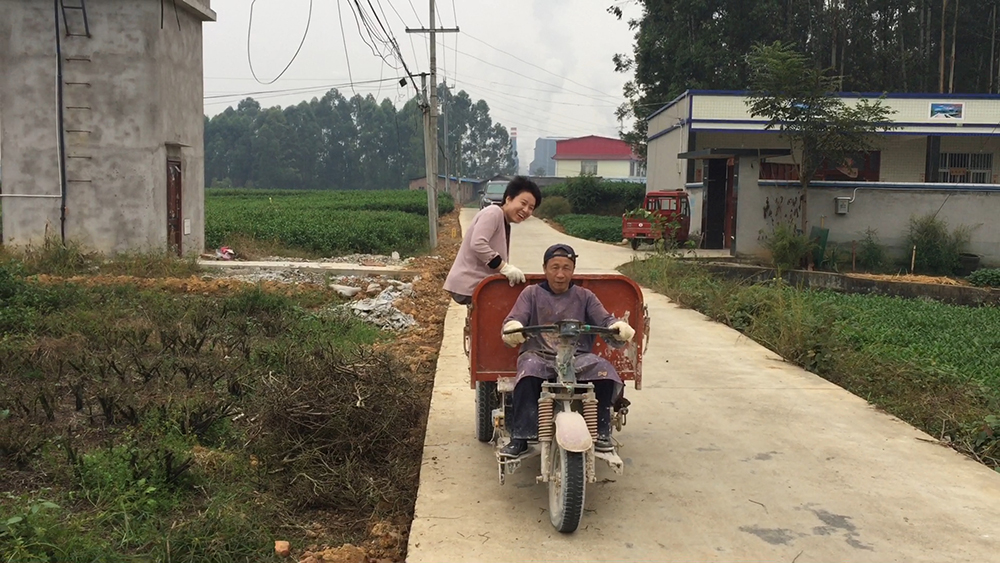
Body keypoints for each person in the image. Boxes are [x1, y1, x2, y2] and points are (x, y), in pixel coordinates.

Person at [499, 243, 635, 457]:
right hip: (538, 355)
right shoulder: (531, 294)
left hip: (577, 357)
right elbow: (515, 319)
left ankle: (601, 431)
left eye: (566, 267)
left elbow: (605, 319)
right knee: (527, 373)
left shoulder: (585, 296)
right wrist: (513, 328)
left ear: (573, 270)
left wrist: (617, 327)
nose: (560, 274)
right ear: (545, 268)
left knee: (605, 371)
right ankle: (521, 437)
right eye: (555, 267)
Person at [443, 176, 542, 304]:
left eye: (531, 208)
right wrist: (504, 267)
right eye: (523, 203)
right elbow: (478, 243)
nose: (526, 210)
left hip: (480, 284)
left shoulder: (504, 221)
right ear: (509, 198)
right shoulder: (493, 212)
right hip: (470, 284)